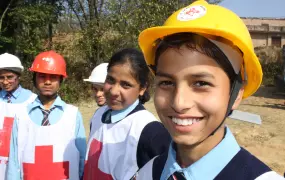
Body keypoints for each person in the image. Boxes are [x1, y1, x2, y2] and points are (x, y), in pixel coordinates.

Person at [134, 1, 285, 179]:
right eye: (167, 82)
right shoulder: (148, 173)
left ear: (236, 94)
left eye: (200, 83)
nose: (179, 103)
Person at [83, 48, 171, 180]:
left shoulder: (149, 131)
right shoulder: (99, 115)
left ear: (142, 88)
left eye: (125, 85)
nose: (113, 91)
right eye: (111, 80)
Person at [6, 50, 87, 180]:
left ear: (61, 80)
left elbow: (82, 158)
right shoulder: (21, 116)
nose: (47, 82)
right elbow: (14, 161)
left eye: (53, 77)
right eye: (42, 76)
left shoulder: (72, 115)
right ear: (34, 79)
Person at [0, 53, 36, 180]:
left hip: (21, 160)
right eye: (1, 77)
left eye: (10, 77)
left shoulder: (32, 101)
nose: (5, 82)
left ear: (18, 76)